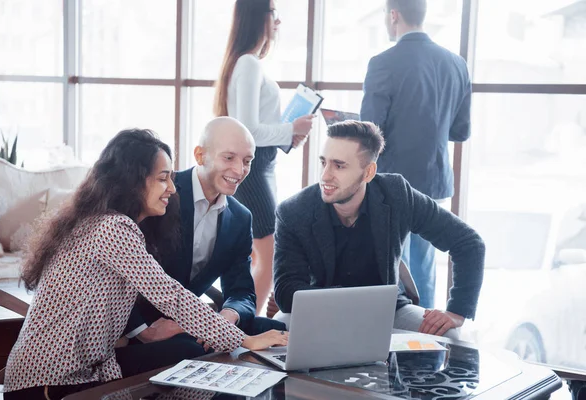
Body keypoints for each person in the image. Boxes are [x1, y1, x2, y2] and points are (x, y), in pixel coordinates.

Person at [3, 129, 288, 400]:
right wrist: (244, 340)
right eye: (163, 179)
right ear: (134, 181)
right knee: (187, 356)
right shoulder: (113, 228)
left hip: (90, 368)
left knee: (188, 355)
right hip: (50, 382)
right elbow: (170, 295)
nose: (172, 188)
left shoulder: (106, 222)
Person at [273, 121, 484, 338]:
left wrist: (458, 311)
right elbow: (286, 292)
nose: (325, 175)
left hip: (389, 312)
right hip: (321, 312)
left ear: (369, 172)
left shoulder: (397, 194)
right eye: (323, 163)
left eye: (339, 165)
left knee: (449, 335)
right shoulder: (294, 211)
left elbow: (468, 243)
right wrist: (349, 301)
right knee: (278, 328)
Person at [123, 117, 286, 350]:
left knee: (279, 332)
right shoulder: (161, 193)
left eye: (247, 161)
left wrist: (228, 316)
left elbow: (242, 291)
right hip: (139, 325)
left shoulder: (240, 218)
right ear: (200, 155)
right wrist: (140, 330)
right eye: (229, 158)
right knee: (191, 349)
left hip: (192, 322)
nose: (240, 170)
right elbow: (118, 272)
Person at [360, 0, 472, 309]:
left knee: (394, 269)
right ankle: (424, 347)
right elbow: (460, 131)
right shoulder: (456, 63)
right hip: (433, 181)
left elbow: (371, 131)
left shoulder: (383, 62)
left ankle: (393, 340)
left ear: (393, 16)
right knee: (423, 270)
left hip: (392, 182)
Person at [213, 0, 314, 314]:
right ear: (259, 17)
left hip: (262, 165)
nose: (278, 22)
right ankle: (246, 330)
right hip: (254, 170)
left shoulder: (246, 63)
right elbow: (248, 130)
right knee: (268, 255)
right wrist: (289, 129)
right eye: (274, 14)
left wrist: (288, 135)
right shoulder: (249, 64)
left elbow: (254, 128)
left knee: (260, 254)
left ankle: (241, 326)